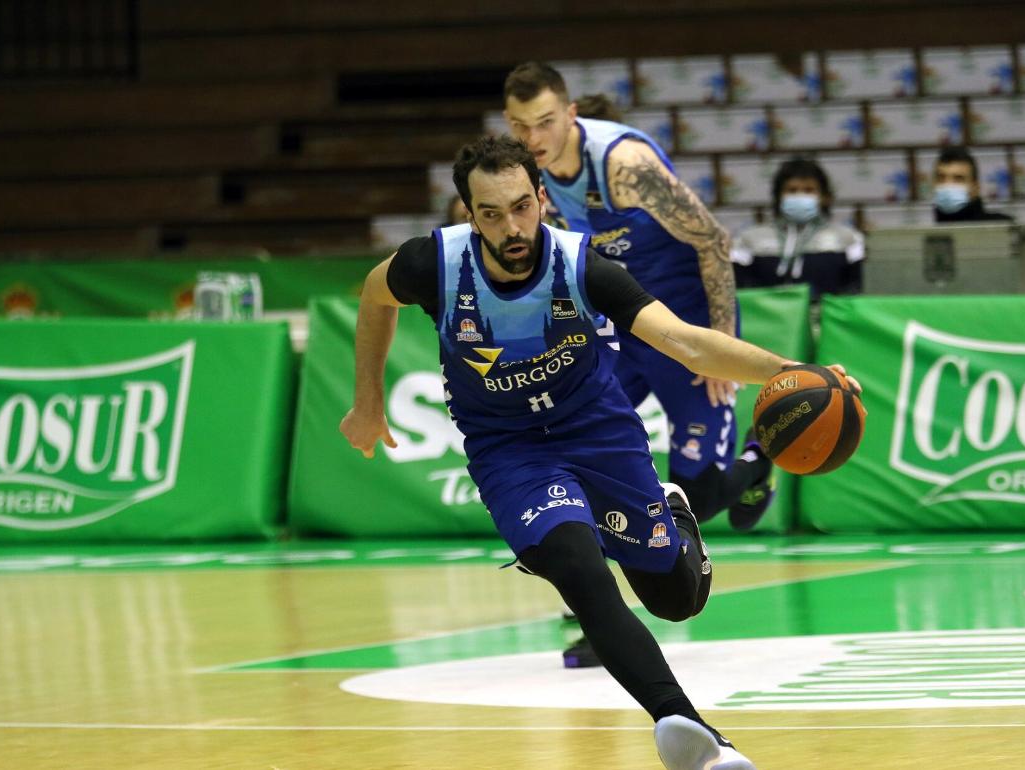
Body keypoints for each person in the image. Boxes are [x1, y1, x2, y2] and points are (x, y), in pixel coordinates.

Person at [339, 135, 860, 770]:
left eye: (520, 206)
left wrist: (794, 369)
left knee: (675, 599)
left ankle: (677, 516)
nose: (511, 226)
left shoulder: (582, 266)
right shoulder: (433, 266)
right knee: (580, 570)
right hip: (511, 452)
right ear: (468, 214)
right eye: (491, 213)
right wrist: (368, 401)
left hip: (598, 434)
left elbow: (688, 344)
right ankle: (693, 733)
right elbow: (373, 295)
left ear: (540, 199)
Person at [502, 62, 774, 535]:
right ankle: (590, 585)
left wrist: (720, 344)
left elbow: (713, 240)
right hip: (621, 324)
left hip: (686, 327)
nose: (533, 138)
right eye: (521, 126)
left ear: (570, 113)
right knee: (572, 456)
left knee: (703, 500)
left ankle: (760, 456)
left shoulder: (624, 166)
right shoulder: (528, 173)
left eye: (545, 122)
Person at [730, 157, 865, 300]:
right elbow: (741, 292)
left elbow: (853, 292)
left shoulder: (848, 238)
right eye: (792, 190)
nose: (800, 196)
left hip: (825, 318)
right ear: (778, 197)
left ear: (825, 197)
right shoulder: (748, 239)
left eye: (809, 190)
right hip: (768, 318)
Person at [932, 146, 1013, 222]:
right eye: (941, 178)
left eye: (958, 179)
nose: (947, 185)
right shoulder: (927, 234)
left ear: (976, 187)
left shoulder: (1002, 228)